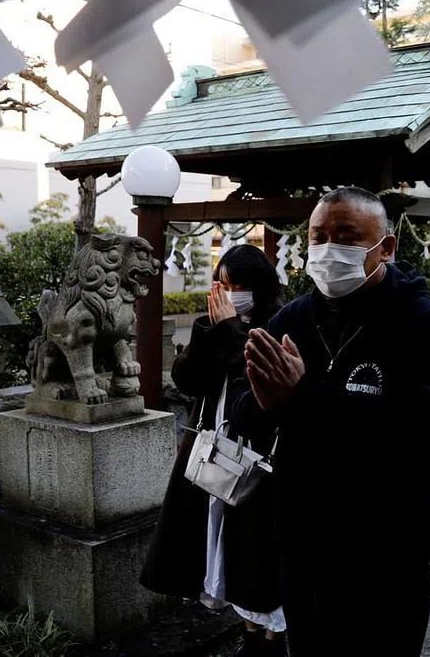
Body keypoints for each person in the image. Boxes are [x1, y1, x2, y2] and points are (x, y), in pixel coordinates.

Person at [234, 186, 430, 657]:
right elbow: (248, 414)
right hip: (304, 537)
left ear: (386, 247)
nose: (328, 248)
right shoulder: (293, 318)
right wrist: (266, 400)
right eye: (318, 237)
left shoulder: (424, 323)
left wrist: (302, 395)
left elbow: (411, 424)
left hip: (388, 542)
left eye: (346, 236)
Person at [140, 245, 286, 657]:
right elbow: (187, 380)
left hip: (257, 451)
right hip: (212, 443)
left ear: (257, 286)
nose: (225, 293)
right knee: (221, 542)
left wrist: (229, 330)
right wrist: (209, 333)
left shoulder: (279, 322)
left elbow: (255, 379)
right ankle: (249, 632)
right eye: (220, 283)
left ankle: (273, 638)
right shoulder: (214, 323)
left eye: (234, 285)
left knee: (256, 546)